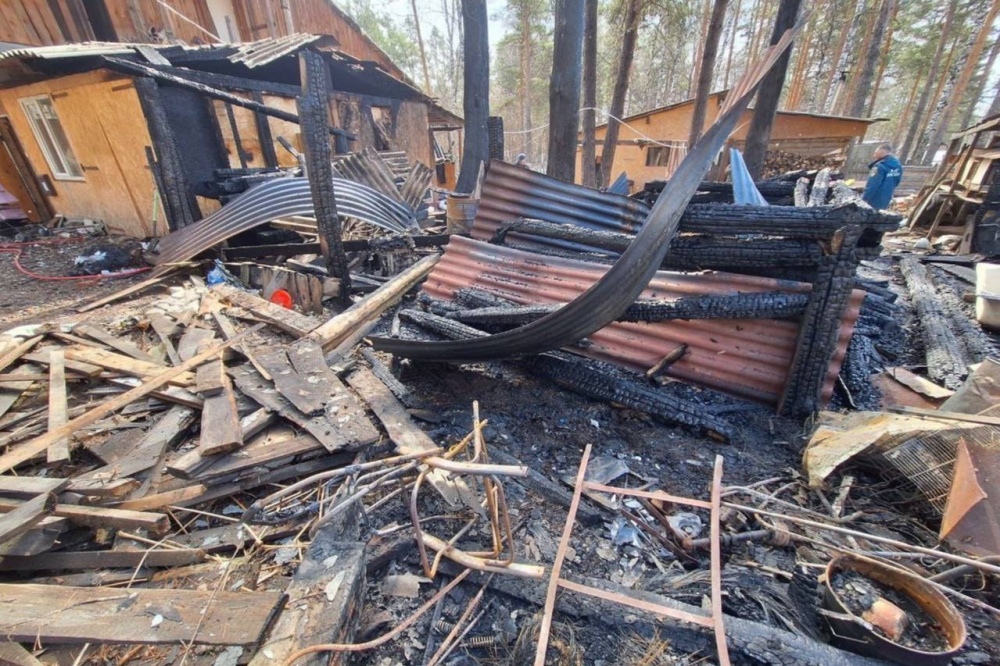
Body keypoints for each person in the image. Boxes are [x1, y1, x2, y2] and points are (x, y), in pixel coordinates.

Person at [862, 143, 903, 210]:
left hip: (874, 199)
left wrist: (863, 199)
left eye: (875, 153)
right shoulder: (898, 166)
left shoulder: (879, 167)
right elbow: (897, 181)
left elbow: (872, 185)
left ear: (882, 153)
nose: (874, 156)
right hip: (887, 197)